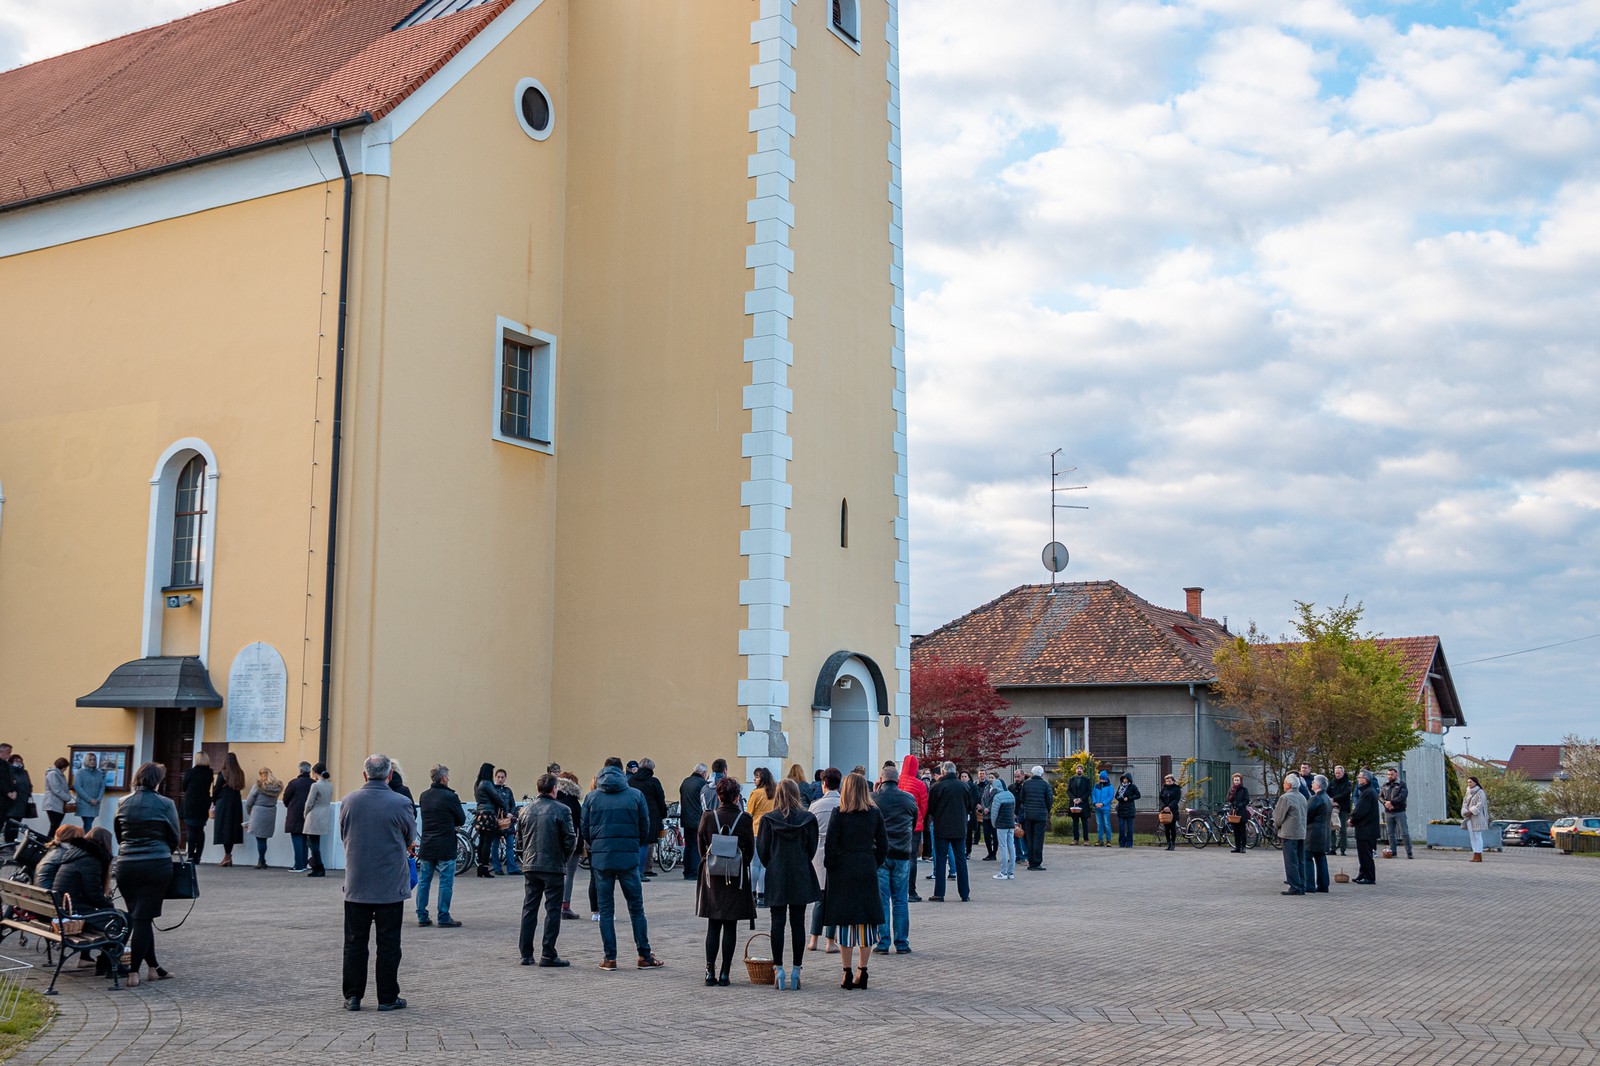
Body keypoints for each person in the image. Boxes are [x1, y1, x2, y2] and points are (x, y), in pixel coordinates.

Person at [339, 754, 417, 1011]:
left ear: (364, 774)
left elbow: (344, 834)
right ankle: (387, 997)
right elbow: (409, 839)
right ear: (389, 775)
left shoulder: (349, 801)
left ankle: (353, 995)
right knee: (389, 943)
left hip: (357, 883)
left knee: (354, 943)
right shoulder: (401, 803)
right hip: (389, 886)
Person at [582, 758, 663, 970]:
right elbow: (644, 827)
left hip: (602, 859)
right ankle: (644, 955)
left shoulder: (591, 798)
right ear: (622, 772)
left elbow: (585, 830)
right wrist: (633, 844)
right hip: (628, 858)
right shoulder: (635, 795)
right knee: (636, 908)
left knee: (606, 910)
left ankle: (610, 958)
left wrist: (598, 845)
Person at [114, 761, 180, 986]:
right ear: (157, 781)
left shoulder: (123, 802)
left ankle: (154, 968)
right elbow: (174, 836)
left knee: (140, 916)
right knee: (142, 918)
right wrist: (162, 851)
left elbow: (118, 834)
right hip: (156, 863)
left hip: (127, 864)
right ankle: (133, 972)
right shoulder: (165, 803)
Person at [821, 773, 887, 990]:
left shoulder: (839, 813)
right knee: (866, 921)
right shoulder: (874, 813)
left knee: (846, 923)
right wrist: (872, 862)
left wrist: (832, 866)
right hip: (866, 865)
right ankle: (863, 970)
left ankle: (847, 972)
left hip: (844, 868)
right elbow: (884, 845)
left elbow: (830, 845)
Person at [760, 777, 822, 988]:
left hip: (777, 872)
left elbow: (763, 852)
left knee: (777, 922)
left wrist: (774, 863)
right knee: (798, 922)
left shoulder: (769, 819)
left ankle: (778, 969)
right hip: (800, 871)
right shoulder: (808, 819)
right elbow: (811, 847)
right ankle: (797, 969)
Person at [36, 824, 121, 976]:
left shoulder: (74, 854)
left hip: (61, 909)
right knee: (121, 919)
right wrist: (109, 903)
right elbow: (93, 895)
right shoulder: (91, 860)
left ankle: (100, 961)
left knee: (113, 915)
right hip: (71, 913)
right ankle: (109, 965)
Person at [696, 775, 755, 985]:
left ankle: (709, 972)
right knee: (730, 926)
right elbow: (750, 849)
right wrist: (739, 863)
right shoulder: (745, 819)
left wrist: (710, 862)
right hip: (735, 878)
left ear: (719, 796)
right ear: (737, 797)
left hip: (713, 877)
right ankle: (725, 973)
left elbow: (701, 845)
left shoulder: (708, 817)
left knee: (713, 925)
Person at [517, 772, 577, 967]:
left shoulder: (525, 810)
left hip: (531, 865)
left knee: (529, 908)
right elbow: (570, 839)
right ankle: (548, 953)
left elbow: (519, 841)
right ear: (554, 789)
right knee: (552, 910)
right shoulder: (562, 810)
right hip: (553, 866)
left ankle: (526, 953)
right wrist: (563, 858)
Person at [871, 766, 916, 953]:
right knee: (900, 900)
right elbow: (913, 823)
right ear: (897, 780)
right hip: (902, 854)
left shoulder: (873, 799)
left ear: (881, 780)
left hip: (880, 855)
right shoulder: (908, 799)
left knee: (882, 900)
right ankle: (901, 942)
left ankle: (883, 942)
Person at [415, 764, 466, 928]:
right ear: (444, 778)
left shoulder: (424, 796)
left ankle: (422, 915)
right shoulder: (450, 797)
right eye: (448, 776)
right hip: (445, 843)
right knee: (445, 882)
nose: (449, 779)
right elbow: (461, 819)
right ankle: (443, 916)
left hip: (428, 843)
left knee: (424, 881)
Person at [805, 767, 843, 953]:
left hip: (818, 854)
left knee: (820, 899)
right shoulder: (844, 804)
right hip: (838, 854)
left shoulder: (815, 806)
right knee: (834, 900)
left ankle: (813, 939)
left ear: (824, 784)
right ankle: (830, 941)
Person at [926, 761, 970, 902]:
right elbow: (970, 805)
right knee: (961, 860)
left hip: (942, 828)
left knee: (940, 860)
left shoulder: (937, 787)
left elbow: (931, 808)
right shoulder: (964, 786)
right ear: (955, 771)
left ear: (943, 772)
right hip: (959, 827)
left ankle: (939, 893)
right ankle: (964, 893)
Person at [629, 758, 668, 881]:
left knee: (633, 844)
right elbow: (661, 800)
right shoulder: (654, 782)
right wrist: (663, 814)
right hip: (651, 815)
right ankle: (641, 871)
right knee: (645, 843)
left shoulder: (631, 780)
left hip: (633, 814)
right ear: (651, 769)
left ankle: (631, 870)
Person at [898, 755, 928, 900]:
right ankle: (911, 891)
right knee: (912, 859)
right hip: (915, 825)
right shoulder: (920, 784)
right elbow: (924, 807)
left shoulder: (897, 782)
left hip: (896, 825)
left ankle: (898, 890)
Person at [555, 771, 584, 918]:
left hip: (553, 843)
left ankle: (554, 905)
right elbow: (580, 824)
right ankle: (565, 906)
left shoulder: (554, 799)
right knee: (569, 875)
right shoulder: (573, 802)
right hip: (571, 843)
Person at [745, 766, 777, 904]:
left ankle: (752, 893)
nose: (754, 779)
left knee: (754, 864)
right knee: (765, 865)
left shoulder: (756, 793)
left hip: (756, 829)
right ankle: (762, 894)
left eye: (756, 777)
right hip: (771, 830)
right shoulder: (774, 792)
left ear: (762, 778)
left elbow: (749, 813)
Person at [1273, 774, 1308, 895]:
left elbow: (1278, 817)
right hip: (1301, 832)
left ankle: (1294, 886)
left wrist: (1277, 826)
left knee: (1290, 860)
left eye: (1284, 782)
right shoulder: (1302, 797)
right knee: (1300, 860)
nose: (1283, 785)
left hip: (1289, 833)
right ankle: (1302, 884)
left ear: (1289, 784)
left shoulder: (1285, 798)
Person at [243, 767, 283, 869]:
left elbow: (249, 801)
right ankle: (262, 860)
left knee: (260, 838)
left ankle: (261, 860)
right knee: (264, 838)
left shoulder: (258, 785)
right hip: (271, 812)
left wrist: (250, 812)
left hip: (258, 812)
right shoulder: (277, 786)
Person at [211, 753, 245, 867]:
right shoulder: (240, 773)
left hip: (224, 803)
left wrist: (214, 801)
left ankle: (227, 856)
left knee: (224, 829)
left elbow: (216, 790)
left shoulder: (223, 773)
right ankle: (228, 855)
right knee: (232, 829)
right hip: (236, 803)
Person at [178, 752, 212, 864]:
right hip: (203, 803)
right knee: (200, 830)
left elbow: (184, 787)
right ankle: (198, 856)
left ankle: (191, 855)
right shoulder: (209, 773)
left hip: (191, 803)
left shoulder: (190, 772)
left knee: (191, 830)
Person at [282, 761, 314, 873]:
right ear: (309, 771)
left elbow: (286, 798)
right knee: (305, 839)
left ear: (300, 770)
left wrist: (289, 805)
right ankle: (304, 863)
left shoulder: (294, 783)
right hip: (309, 815)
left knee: (297, 839)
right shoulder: (313, 783)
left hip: (295, 814)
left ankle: (298, 865)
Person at [1019, 765, 1053, 868]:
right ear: (1042, 774)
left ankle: (1031, 861)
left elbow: (1022, 799)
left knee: (1030, 838)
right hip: (1041, 815)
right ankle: (1037, 862)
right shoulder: (1045, 785)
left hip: (1028, 814)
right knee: (1038, 839)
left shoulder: (1026, 784)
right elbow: (1049, 800)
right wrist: (1047, 810)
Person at [678, 763, 708, 882]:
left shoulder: (685, 781)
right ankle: (694, 871)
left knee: (688, 845)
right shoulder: (702, 784)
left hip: (686, 818)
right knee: (696, 846)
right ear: (703, 773)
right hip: (697, 819)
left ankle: (687, 870)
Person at [472, 763, 502, 878]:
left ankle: (480, 866)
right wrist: (503, 806)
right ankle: (484, 867)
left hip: (480, 814)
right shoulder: (487, 783)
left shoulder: (477, 783)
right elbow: (496, 797)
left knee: (482, 841)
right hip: (488, 814)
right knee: (487, 842)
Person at [1350, 770, 1381, 884]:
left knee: (1365, 854)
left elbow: (1361, 810)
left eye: (1360, 777)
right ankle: (1362, 873)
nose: (1358, 779)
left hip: (1366, 828)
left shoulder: (1368, 792)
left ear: (1365, 779)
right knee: (1362, 854)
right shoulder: (1367, 791)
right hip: (1365, 827)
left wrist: (1352, 819)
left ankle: (1369, 876)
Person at [303, 763, 334, 877]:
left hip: (314, 814)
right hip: (324, 814)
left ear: (315, 773)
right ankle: (317, 866)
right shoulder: (330, 785)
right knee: (316, 842)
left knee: (312, 843)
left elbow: (309, 802)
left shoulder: (315, 785)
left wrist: (305, 813)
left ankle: (318, 866)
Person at [491, 768, 521, 876]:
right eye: (498, 777)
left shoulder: (508, 790)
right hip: (498, 822)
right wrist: (504, 814)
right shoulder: (492, 790)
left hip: (508, 822)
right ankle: (497, 867)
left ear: (505, 778)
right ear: (495, 777)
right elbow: (494, 806)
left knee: (510, 845)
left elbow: (513, 804)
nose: (500, 779)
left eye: (502, 777)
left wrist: (512, 814)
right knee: (495, 844)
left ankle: (511, 868)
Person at [988, 768, 1017, 879]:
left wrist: (994, 824)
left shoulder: (998, 797)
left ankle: (1003, 872)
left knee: (1003, 847)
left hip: (1001, 825)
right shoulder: (1010, 795)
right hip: (1011, 824)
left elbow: (994, 813)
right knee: (1011, 847)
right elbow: (1013, 809)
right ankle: (1011, 872)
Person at [1305, 774, 1332, 892]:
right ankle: (1323, 885)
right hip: (1324, 832)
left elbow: (1307, 815)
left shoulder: (1315, 799)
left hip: (1313, 833)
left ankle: (1309, 885)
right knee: (1321, 859)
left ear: (1319, 785)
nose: (1312, 783)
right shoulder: (1327, 798)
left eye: (1314, 782)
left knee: (1307, 858)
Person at [1379, 768, 1412, 859]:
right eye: (1388, 774)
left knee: (1404, 832)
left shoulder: (1402, 784)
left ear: (1396, 775)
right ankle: (1393, 852)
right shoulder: (1385, 785)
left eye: (1392, 774)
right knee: (1390, 833)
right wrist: (1385, 803)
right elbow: (1380, 796)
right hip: (1388, 812)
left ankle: (1409, 852)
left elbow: (1402, 796)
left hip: (1399, 811)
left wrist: (1391, 803)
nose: (1390, 776)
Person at [1461, 775, 1491, 862]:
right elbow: (1464, 803)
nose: (1469, 783)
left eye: (1470, 782)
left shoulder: (1480, 792)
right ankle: (1475, 853)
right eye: (1468, 782)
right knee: (1471, 836)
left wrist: (1471, 811)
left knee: (1477, 836)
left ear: (1475, 782)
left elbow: (1480, 804)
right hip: (1468, 817)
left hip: (1477, 817)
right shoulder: (1467, 792)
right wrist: (1465, 811)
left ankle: (1479, 854)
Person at [1326, 765, 1353, 856]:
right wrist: (1331, 801)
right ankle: (1332, 847)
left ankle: (1343, 848)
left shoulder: (1347, 783)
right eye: (1336, 773)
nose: (1337, 775)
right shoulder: (1332, 783)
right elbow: (1327, 793)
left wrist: (1334, 799)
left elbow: (1346, 794)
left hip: (1343, 808)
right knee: (1332, 828)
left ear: (1343, 773)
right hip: (1333, 808)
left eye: (1338, 773)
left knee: (1343, 829)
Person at [42, 757, 72, 836]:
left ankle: (51, 842)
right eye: (65, 767)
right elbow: (56, 789)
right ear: (63, 767)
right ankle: (48, 843)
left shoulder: (60, 775)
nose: (65, 769)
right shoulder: (53, 774)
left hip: (58, 804)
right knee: (54, 826)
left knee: (56, 826)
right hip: (52, 803)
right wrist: (67, 797)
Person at [5, 754, 33, 839]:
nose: (18, 763)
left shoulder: (24, 772)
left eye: (20, 761)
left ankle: (13, 841)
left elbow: (28, 784)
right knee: (10, 823)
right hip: (12, 802)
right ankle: (8, 842)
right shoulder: (8, 772)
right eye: (16, 761)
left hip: (22, 801)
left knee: (17, 823)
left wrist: (29, 791)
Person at [1065, 764, 1093, 845]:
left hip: (1083, 804)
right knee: (1075, 822)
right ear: (1075, 770)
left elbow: (1088, 791)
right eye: (1078, 768)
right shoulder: (1072, 779)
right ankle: (1075, 839)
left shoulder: (1086, 779)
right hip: (1074, 803)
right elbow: (1068, 791)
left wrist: (1081, 799)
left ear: (1083, 770)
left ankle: (1086, 840)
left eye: (1081, 768)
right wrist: (1073, 798)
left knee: (1084, 822)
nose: (1079, 770)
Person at [1114, 772, 1141, 848]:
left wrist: (1129, 798)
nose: (1124, 780)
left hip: (1129, 809)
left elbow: (1138, 795)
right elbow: (1116, 796)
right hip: (1121, 809)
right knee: (1121, 827)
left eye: (1125, 779)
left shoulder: (1132, 787)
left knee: (1129, 828)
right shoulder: (1120, 787)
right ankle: (1122, 842)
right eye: (1123, 779)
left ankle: (1129, 842)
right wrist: (1120, 798)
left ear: (1129, 779)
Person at [1157, 773, 1183, 851]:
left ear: (1173, 781)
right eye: (1167, 781)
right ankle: (1168, 843)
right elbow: (1160, 798)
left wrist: (1169, 807)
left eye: (1170, 781)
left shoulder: (1176, 789)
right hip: (1164, 811)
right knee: (1166, 828)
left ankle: (1173, 843)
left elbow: (1176, 799)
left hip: (1173, 810)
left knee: (1172, 827)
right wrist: (1164, 807)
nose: (1168, 782)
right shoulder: (1164, 789)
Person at [1226, 773, 1250, 853]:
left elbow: (1247, 800)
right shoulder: (1231, 789)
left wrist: (1241, 805)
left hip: (1241, 812)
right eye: (1235, 780)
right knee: (1235, 830)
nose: (1236, 782)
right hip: (1233, 811)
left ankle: (1243, 847)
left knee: (1242, 830)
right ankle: (1237, 847)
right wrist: (1231, 805)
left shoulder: (1244, 790)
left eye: (1238, 780)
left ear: (1240, 781)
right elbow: (1228, 799)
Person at [1091, 770, 1114, 846]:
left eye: (1103, 778)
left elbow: (1110, 796)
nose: (1101, 780)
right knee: (1099, 825)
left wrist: (1103, 803)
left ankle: (1108, 840)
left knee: (1107, 824)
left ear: (1106, 778)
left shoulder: (1110, 786)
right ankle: (1100, 839)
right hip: (1097, 808)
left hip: (1105, 808)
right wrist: (1095, 803)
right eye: (1100, 778)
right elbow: (1093, 794)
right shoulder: (1096, 786)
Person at [0, 744, 15, 843]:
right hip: (2, 797)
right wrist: (7, 792)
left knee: (2, 822)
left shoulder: (7, 765)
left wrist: (13, 790)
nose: (9, 755)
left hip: (6, 800)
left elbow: (11, 780)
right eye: (8, 752)